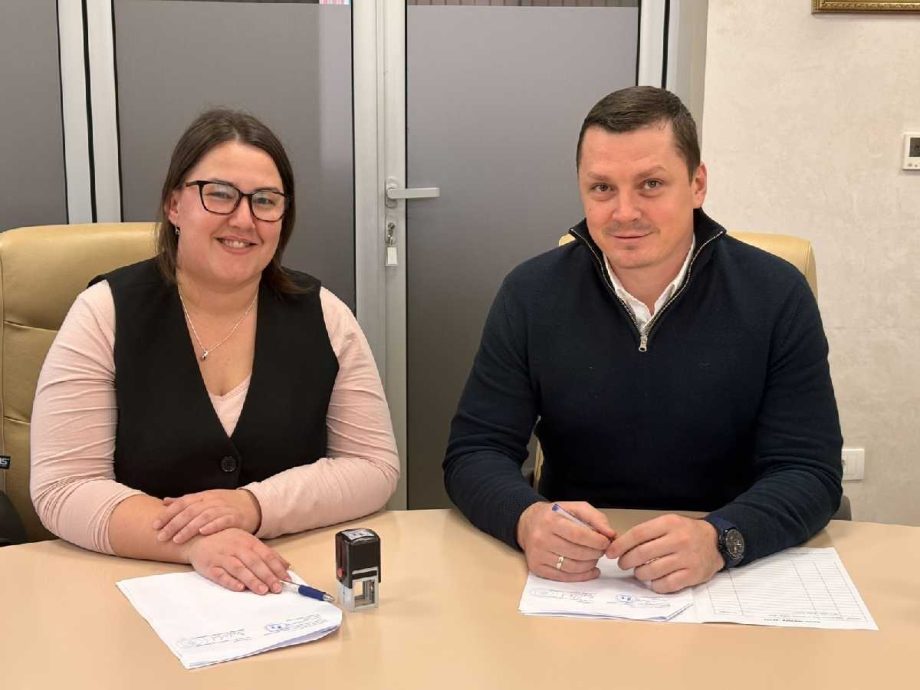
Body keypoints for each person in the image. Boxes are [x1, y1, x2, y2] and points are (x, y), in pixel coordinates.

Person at [443, 86, 842, 593]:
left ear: (697, 185)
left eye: (651, 184)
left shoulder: (776, 294)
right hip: (581, 575)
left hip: (727, 572)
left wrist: (721, 539)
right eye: (602, 188)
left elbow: (809, 470)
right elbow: (475, 451)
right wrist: (526, 519)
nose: (624, 212)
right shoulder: (530, 293)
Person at [31, 109, 399, 595]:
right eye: (220, 194)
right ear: (174, 205)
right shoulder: (105, 312)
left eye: (265, 200)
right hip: (137, 583)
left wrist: (253, 506)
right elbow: (64, 487)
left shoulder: (325, 313)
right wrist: (194, 542)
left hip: (287, 581)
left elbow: (373, 467)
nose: (244, 219)